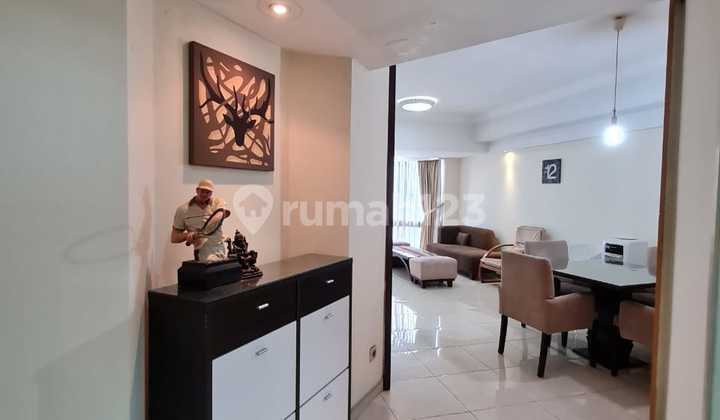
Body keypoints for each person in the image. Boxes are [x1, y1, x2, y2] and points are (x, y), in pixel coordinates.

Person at [171, 179, 231, 262]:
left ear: (211, 193)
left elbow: (221, 214)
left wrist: (202, 231)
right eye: (202, 191)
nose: (204, 194)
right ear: (197, 190)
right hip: (202, 255)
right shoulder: (182, 210)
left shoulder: (217, 202)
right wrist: (188, 235)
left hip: (220, 251)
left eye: (208, 192)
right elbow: (174, 238)